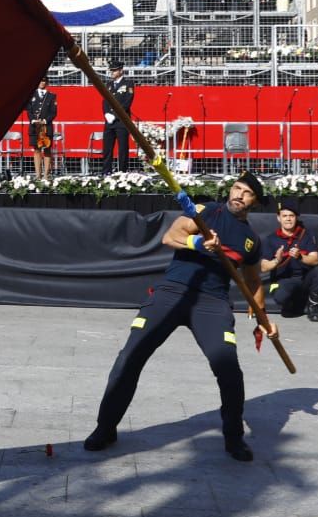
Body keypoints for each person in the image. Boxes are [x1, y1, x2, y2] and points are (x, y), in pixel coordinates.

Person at [83, 172, 267, 461]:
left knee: (229, 369)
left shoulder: (251, 241)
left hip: (212, 302)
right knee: (129, 357)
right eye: (236, 188)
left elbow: (253, 282)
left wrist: (263, 318)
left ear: (254, 202)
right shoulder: (207, 212)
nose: (239, 195)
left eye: (246, 193)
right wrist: (197, 244)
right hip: (172, 290)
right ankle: (105, 428)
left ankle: (234, 439)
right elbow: (171, 236)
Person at [261, 202, 318, 321]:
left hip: (304, 279)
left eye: (291, 216)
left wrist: (300, 256)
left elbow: (315, 260)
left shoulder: (306, 235)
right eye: (284, 216)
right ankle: (292, 304)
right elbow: (264, 267)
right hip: (284, 281)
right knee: (282, 299)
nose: (288, 219)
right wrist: (277, 260)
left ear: (296, 218)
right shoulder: (271, 239)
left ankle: (313, 308)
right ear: (278, 218)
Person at [99, 64, 135, 175]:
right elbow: (105, 101)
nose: (112, 73)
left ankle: (122, 172)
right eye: (111, 71)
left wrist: (115, 114)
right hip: (109, 121)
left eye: (114, 70)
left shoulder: (128, 84)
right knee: (107, 147)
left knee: (123, 148)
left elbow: (127, 102)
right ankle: (106, 171)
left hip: (121, 121)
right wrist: (106, 114)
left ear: (120, 71)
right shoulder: (109, 85)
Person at [25, 80, 59, 181]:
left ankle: (46, 175)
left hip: (46, 126)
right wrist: (33, 120)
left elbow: (53, 112)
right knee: (36, 150)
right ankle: (38, 175)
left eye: (44, 81)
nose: (42, 83)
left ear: (47, 83)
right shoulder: (31, 95)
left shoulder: (52, 96)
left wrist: (45, 120)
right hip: (35, 127)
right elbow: (29, 110)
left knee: (47, 150)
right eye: (41, 80)